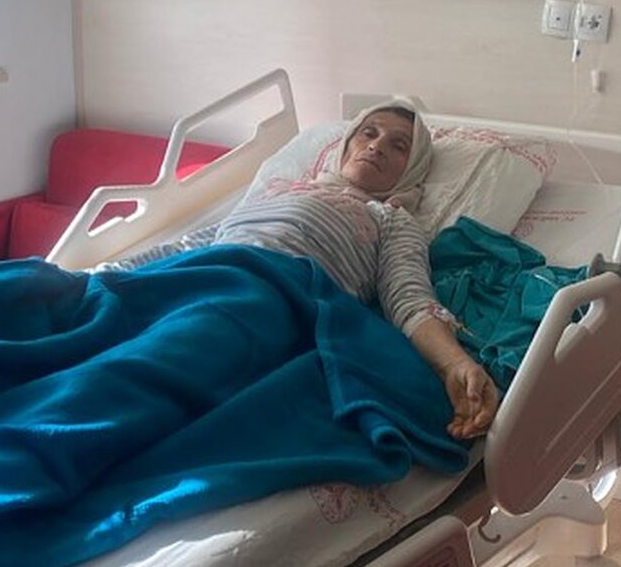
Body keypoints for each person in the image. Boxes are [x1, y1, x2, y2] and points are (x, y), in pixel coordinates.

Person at [102, 99, 500, 439]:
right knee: (91, 313)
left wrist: (455, 364)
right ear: (346, 144)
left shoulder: (390, 219)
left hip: (271, 296)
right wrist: (103, 277)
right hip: (201, 275)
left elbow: (409, 298)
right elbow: (192, 245)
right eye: (369, 133)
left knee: (147, 368)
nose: (377, 146)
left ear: (413, 168)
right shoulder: (278, 190)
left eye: (399, 146)